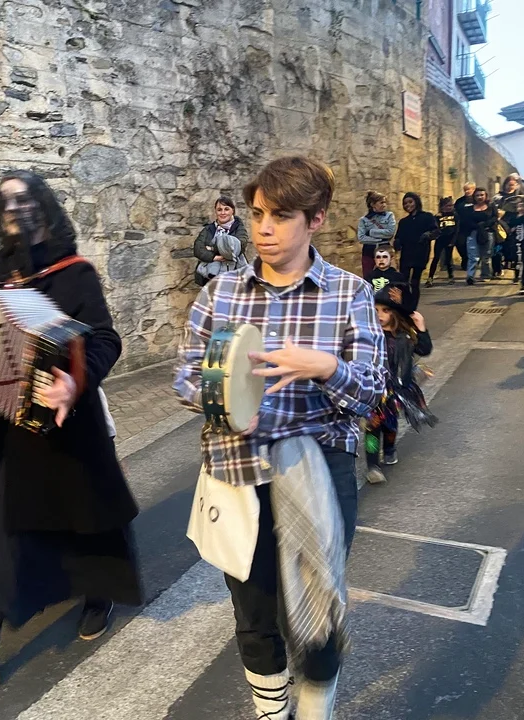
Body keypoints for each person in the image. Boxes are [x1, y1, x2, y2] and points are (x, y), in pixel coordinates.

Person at [173, 156, 386, 720]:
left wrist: (324, 366)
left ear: (315, 219)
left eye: (281, 216)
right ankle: (272, 710)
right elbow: (187, 376)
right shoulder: (219, 293)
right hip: (236, 466)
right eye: (258, 214)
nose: (264, 229)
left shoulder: (349, 293)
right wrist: (225, 402)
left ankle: (316, 701)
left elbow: (371, 394)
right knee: (253, 609)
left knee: (318, 602)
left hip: (320, 464)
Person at [0, 170, 142, 686]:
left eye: (23, 199)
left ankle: (98, 592)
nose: (13, 209)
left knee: (87, 515)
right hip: (12, 427)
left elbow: (106, 339)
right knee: (6, 528)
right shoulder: (2, 267)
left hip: (71, 423)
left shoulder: (76, 274)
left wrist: (74, 382)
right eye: (5, 202)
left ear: (44, 207)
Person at [365, 283, 435, 485]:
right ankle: (372, 466)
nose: (379, 315)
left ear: (395, 313)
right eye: (376, 310)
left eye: (385, 310)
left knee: (390, 425)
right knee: (372, 426)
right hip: (373, 388)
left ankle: (389, 449)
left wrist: (421, 326)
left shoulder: (405, 336)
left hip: (396, 390)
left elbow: (424, 349)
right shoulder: (369, 334)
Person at [193, 196, 250, 286]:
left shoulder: (239, 228)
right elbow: (197, 249)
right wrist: (214, 257)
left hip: (233, 278)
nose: (223, 213)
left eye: (226, 209)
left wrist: (212, 248)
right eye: (219, 210)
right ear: (215, 212)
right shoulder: (208, 229)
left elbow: (237, 246)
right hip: (209, 278)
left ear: (232, 211)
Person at [393, 192, 437, 306]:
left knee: (415, 282)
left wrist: (428, 235)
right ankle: (406, 304)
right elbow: (399, 236)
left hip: (420, 253)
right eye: (405, 203)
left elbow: (436, 231)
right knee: (403, 281)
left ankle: (413, 306)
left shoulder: (427, 217)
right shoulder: (404, 222)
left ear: (416, 202)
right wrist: (397, 242)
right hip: (407, 253)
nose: (408, 205)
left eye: (410, 202)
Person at [493, 174, 524, 281]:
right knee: (498, 249)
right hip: (501, 225)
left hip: (516, 225)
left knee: (516, 250)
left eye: (513, 184)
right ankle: (497, 270)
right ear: (505, 184)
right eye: (509, 184)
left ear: (517, 185)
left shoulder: (521, 198)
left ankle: (517, 272)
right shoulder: (499, 197)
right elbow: (495, 210)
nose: (510, 187)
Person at [461, 187, 497, 285]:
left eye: (482, 195)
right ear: (474, 197)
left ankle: (485, 274)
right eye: (477, 195)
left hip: (488, 232)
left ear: (486, 196)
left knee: (486, 255)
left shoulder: (491, 206)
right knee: (473, 256)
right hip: (473, 233)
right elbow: (466, 221)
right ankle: (470, 276)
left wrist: (485, 224)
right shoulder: (469, 209)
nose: (480, 197)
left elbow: (494, 218)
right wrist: (476, 226)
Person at [356, 191, 396, 278]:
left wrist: (371, 232)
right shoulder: (364, 220)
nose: (384, 205)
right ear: (372, 204)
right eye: (381, 202)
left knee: (386, 276)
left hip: (384, 249)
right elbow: (361, 238)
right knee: (368, 276)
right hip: (368, 251)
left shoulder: (389, 216)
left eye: (385, 202)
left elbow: (390, 232)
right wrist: (379, 239)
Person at [426, 196, 459, 286]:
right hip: (440, 239)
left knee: (448, 259)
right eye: (448, 206)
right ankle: (430, 277)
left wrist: (453, 241)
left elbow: (457, 229)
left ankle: (451, 276)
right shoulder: (438, 216)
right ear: (442, 207)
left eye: (451, 205)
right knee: (436, 258)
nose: (450, 208)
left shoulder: (455, 215)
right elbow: (435, 227)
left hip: (450, 239)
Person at [454, 182, 476, 271]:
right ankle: (465, 258)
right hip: (461, 228)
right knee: (460, 244)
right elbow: (455, 211)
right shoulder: (460, 201)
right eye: (465, 190)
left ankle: (471, 262)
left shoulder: (477, 200)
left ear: (474, 189)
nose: (467, 191)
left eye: (469, 189)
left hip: (473, 227)